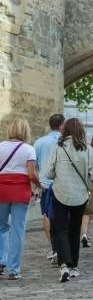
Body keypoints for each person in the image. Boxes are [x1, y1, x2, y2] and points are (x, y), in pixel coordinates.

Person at [45, 118, 93, 282]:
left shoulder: (58, 148)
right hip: (80, 196)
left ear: (65, 130)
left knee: (60, 229)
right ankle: (74, 266)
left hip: (60, 193)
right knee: (75, 230)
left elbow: (48, 173)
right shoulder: (88, 149)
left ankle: (63, 265)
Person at [0, 118, 40, 280]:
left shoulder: (0, 146)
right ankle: (14, 269)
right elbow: (31, 174)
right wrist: (39, 184)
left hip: (1, 190)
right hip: (20, 192)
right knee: (17, 229)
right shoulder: (28, 149)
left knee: (1, 227)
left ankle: (1, 262)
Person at [33, 113, 64, 263]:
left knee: (47, 215)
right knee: (64, 217)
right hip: (63, 184)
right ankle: (63, 247)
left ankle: (54, 248)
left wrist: (36, 185)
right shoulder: (64, 141)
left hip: (45, 184)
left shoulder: (39, 142)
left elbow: (35, 165)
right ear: (62, 125)